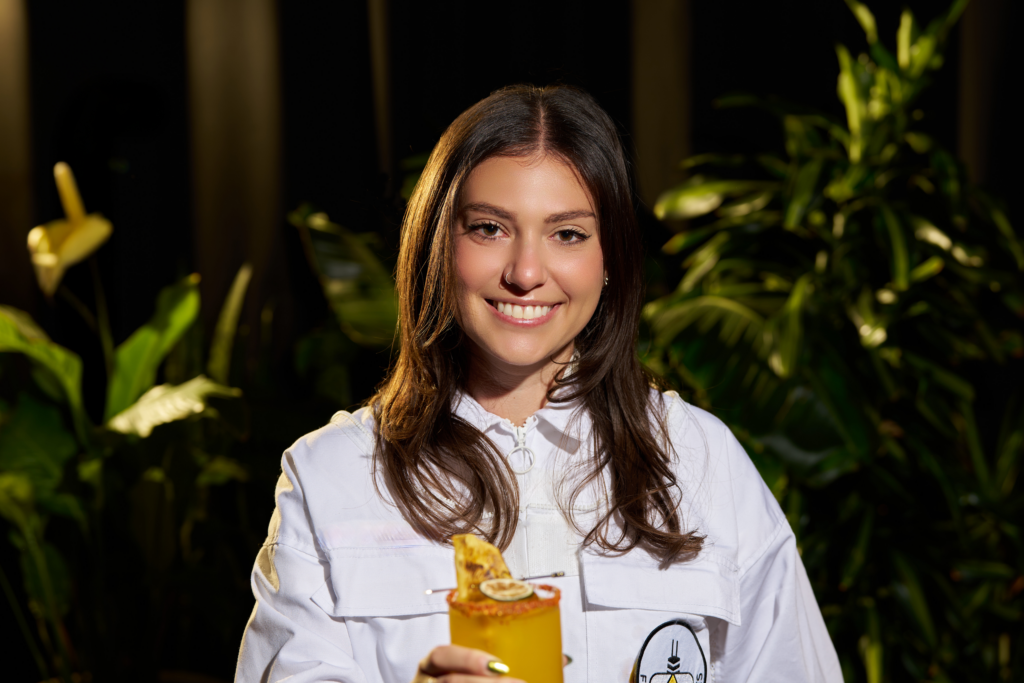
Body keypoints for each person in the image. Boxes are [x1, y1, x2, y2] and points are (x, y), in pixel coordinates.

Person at [234, 85, 842, 683]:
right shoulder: (330, 476)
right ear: (438, 245)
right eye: (489, 228)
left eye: (568, 233)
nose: (526, 273)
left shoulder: (701, 459)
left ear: (610, 259)